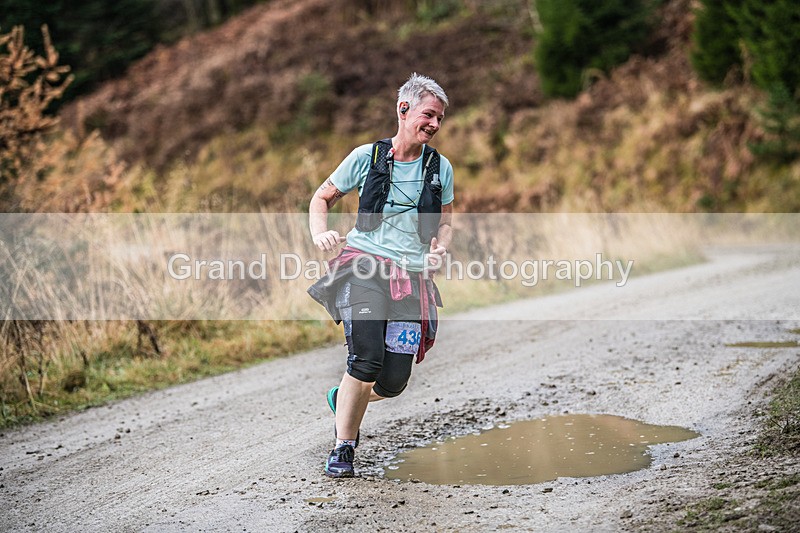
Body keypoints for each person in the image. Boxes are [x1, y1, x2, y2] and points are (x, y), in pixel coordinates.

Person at [307, 73, 454, 478]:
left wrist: (440, 246)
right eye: (429, 115)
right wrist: (321, 233)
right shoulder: (366, 157)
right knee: (366, 359)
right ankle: (343, 447)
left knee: (392, 382)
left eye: (440, 118)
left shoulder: (440, 168)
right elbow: (322, 197)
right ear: (403, 110)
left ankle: (344, 398)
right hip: (362, 268)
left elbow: (445, 222)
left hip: (410, 279)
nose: (435, 125)